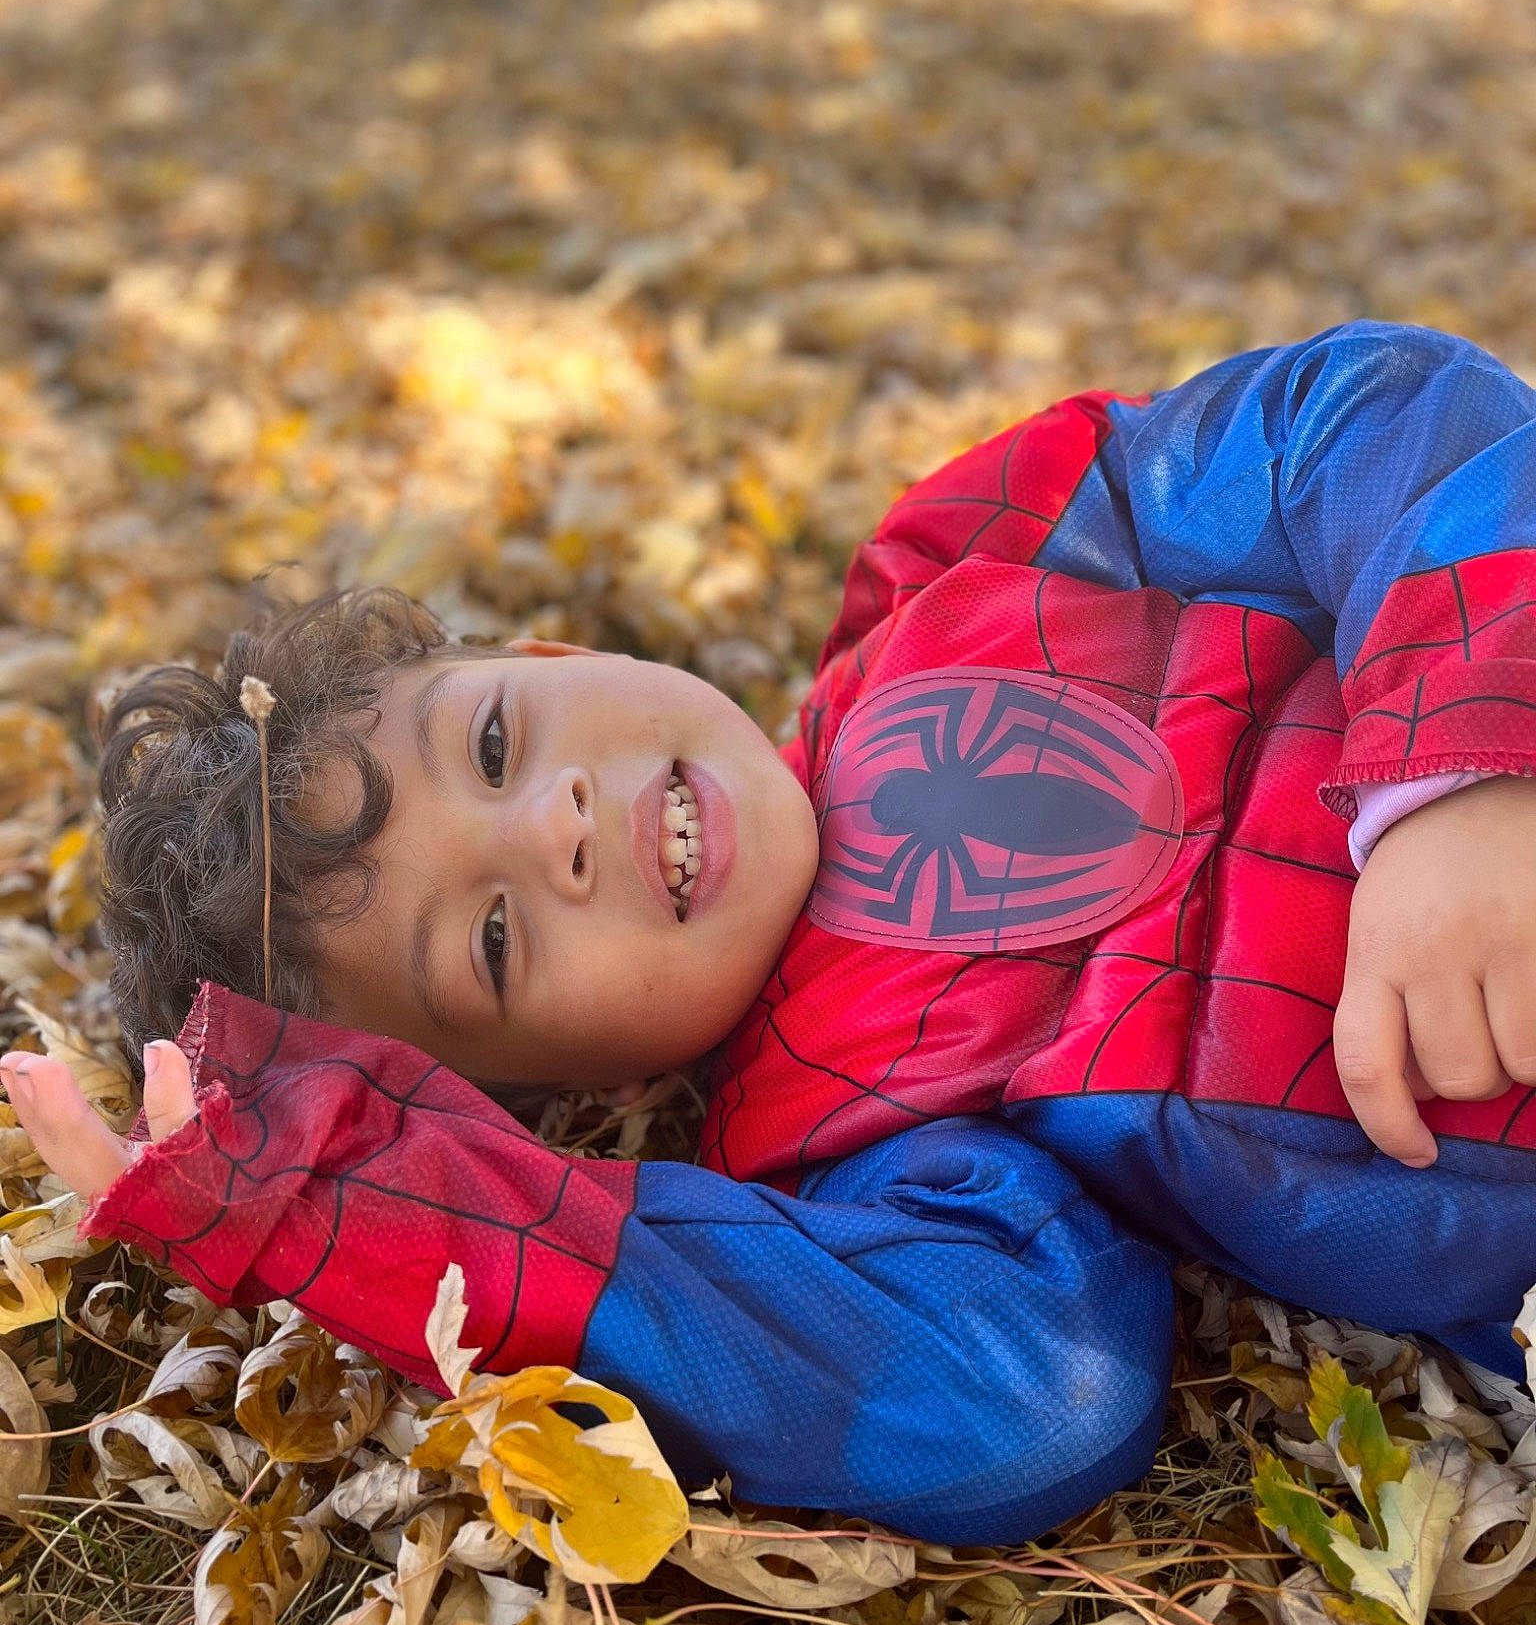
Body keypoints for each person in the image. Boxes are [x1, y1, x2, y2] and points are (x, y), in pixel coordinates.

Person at [10, 319, 1536, 1545]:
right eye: (492, 942)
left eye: (493, 745)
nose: (561, 827)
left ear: (548, 651)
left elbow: (1368, 415)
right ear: (551, 1096)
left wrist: (1457, 776)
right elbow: (1026, 1402)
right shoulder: (827, 1162)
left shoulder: (961, 566)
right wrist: (343, 1197)